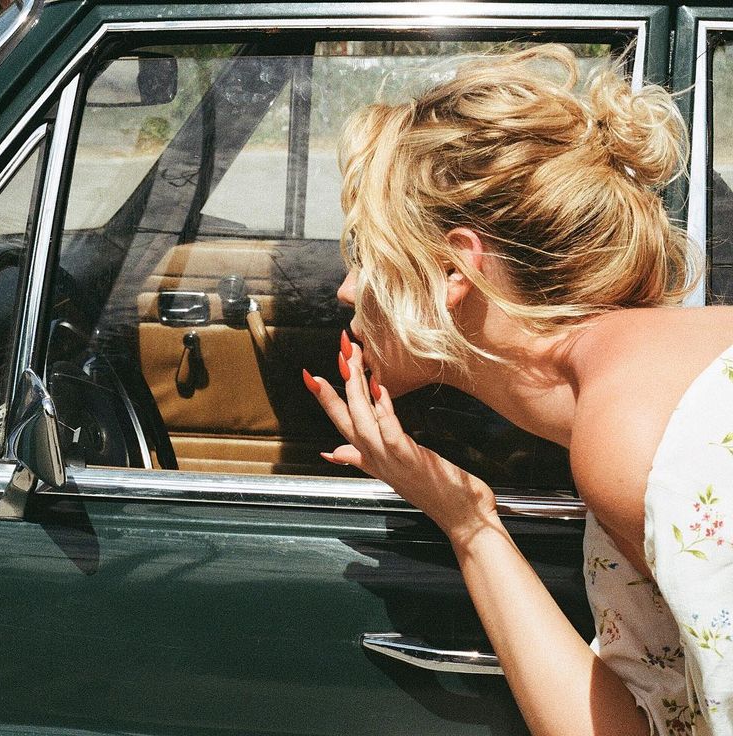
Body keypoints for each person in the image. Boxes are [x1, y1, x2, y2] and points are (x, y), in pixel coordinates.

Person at [301, 45, 733, 736]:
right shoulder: (630, 398)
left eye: (365, 254)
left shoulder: (639, 430)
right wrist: (468, 522)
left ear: (453, 269)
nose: (347, 289)